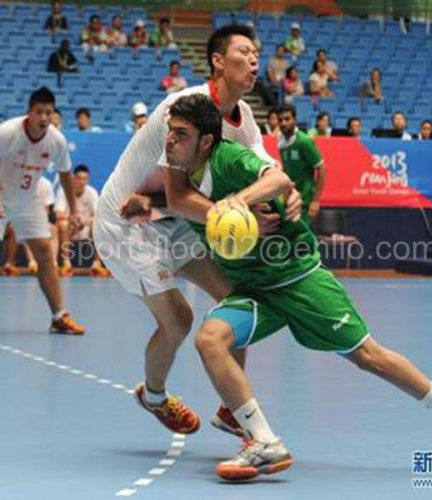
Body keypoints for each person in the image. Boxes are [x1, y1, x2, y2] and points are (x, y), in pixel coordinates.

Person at [162, 93, 432, 481]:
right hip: (254, 288)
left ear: (206, 141)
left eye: (180, 134)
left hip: (298, 277)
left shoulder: (229, 159)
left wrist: (238, 204)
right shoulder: (187, 176)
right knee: (210, 338)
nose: (170, 141)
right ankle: (265, 442)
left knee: (368, 356)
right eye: (170, 132)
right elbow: (176, 200)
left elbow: (278, 178)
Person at [94, 25, 301, 438]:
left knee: (236, 301)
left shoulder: (245, 123)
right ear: (219, 62)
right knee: (179, 320)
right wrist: (240, 210)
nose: (255, 59)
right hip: (128, 224)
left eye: (258, 53)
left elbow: (269, 172)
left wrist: (289, 191)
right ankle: (153, 396)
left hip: (175, 224)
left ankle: (231, 407)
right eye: (245, 51)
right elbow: (176, 195)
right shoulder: (183, 109)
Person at [0, 87, 84, 334]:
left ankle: (59, 317)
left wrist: (74, 209)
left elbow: (65, 174)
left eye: (49, 112)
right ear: (30, 113)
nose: (44, 118)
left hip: (28, 201)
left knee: (46, 255)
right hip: (2, 197)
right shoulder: (8, 132)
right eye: (39, 112)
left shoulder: (56, 140)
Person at [55, 164, 107, 277]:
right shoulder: (63, 191)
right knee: (63, 224)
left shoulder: (92, 193)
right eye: (79, 178)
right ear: (73, 179)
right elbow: (58, 214)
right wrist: (72, 220)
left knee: (99, 225)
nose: (81, 182)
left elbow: (98, 216)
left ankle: (96, 264)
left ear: (88, 180)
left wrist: (83, 222)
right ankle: (66, 264)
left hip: (86, 229)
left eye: (84, 179)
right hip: (68, 228)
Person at [278, 105, 326, 224]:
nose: (283, 123)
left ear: (295, 120)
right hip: (289, 201)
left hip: (305, 203)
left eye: (287, 119)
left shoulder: (304, 141)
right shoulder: (281, 142)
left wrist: (315, 201)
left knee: (303, 240)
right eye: (280, 120)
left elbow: (322, 168)